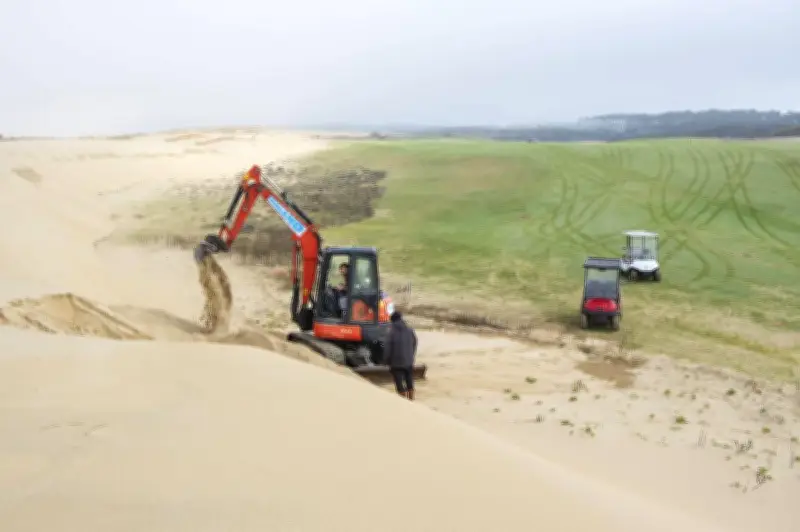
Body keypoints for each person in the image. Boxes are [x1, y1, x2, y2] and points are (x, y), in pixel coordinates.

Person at [384, 311, 418, 400]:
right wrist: (411, 355)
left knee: (399, 383)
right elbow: (414, 343)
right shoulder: (410, 330)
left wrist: (386, 361)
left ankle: (403, 402)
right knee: (409, 380)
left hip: (396, 363)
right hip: (409, 361)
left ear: (392, 321)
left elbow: (388, 348)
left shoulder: (391, 332)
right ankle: (411, 400)